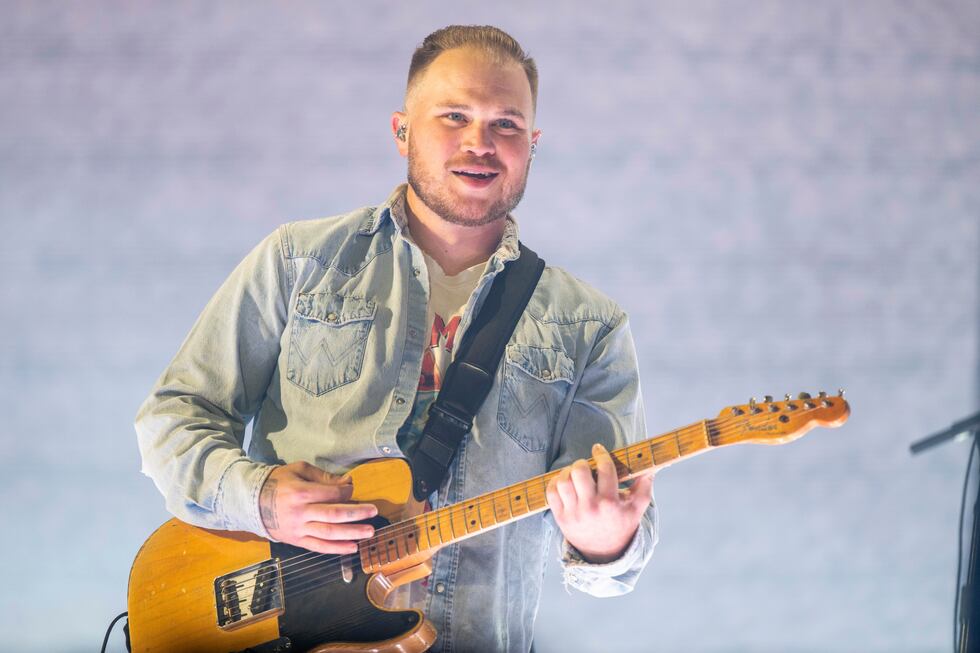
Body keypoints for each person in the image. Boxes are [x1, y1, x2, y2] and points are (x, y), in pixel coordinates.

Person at [136, 24, 656, 652]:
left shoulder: (590, 327)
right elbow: (175, 418)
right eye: (454, 116)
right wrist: (262, 497)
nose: (479, 143)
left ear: (533, 144)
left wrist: (607, 541)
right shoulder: (299, 262)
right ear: (401, 130)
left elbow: (612, 562)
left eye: (506, 125)